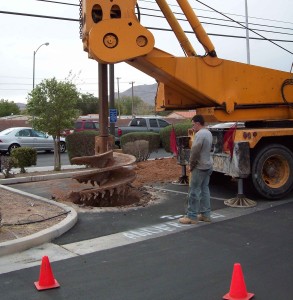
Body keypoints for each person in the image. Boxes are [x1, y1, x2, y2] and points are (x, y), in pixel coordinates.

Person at [179, 114, 213, 224]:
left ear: (198, 123)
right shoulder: (208, 133)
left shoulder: (200, 134)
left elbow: (195, 151)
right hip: (208, 165)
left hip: (199, 166)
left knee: (194, 191)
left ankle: (191, 216)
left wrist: (191, 165)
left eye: (193, 124)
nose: (193, 127)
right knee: (204, 190)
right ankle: (205, 215)